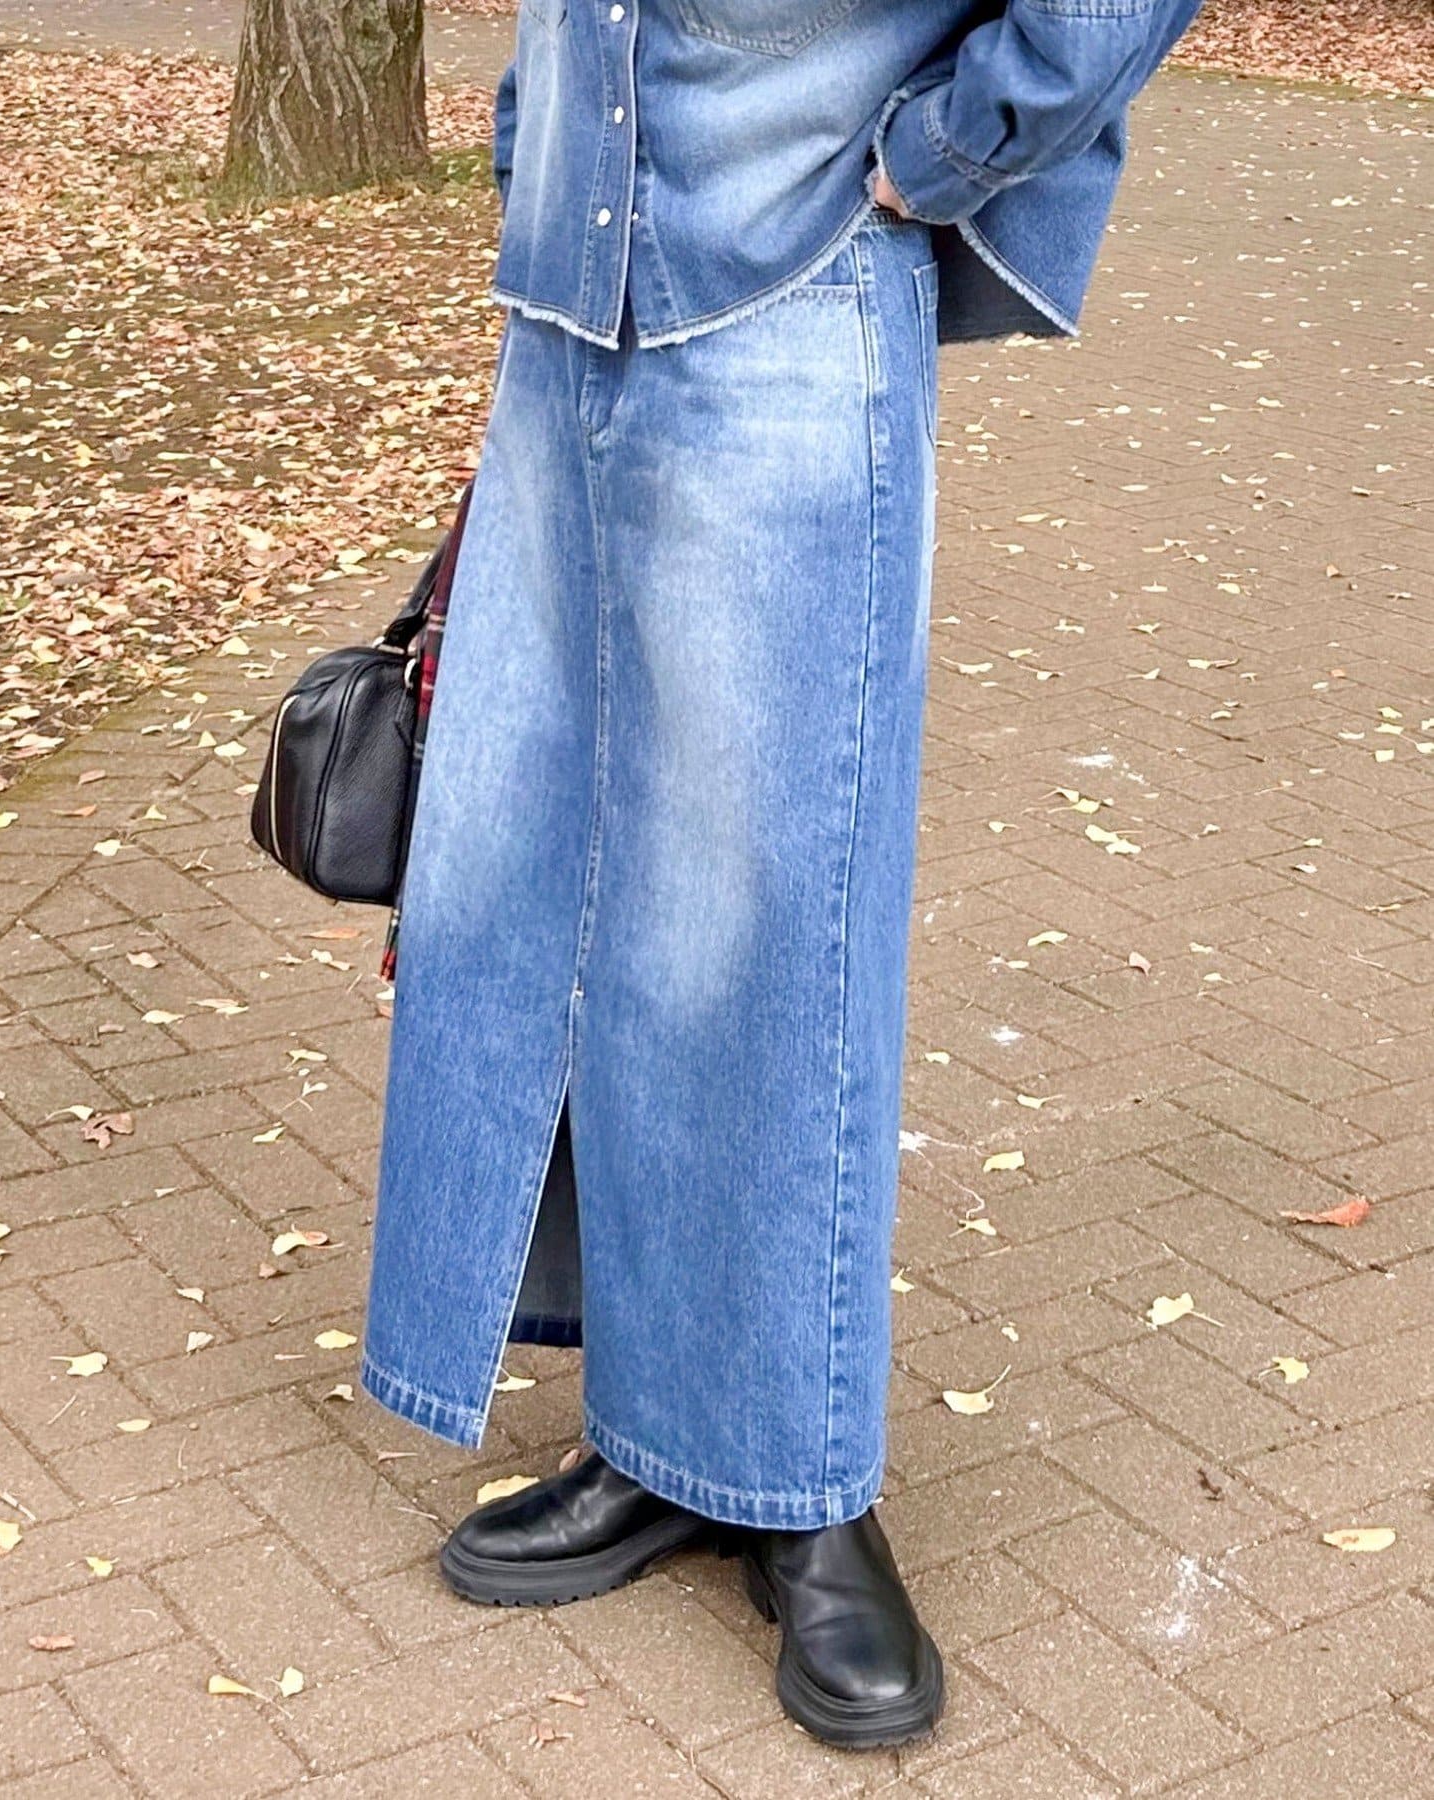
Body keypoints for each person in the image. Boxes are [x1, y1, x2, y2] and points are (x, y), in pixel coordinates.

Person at [362, 0, 1201, 1749]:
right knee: (558, 886)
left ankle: (800, 1482)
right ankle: (660, 1438)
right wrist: (536, 156)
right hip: (567, 320)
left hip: (792, 296)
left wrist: (942, 156)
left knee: (772, 921)